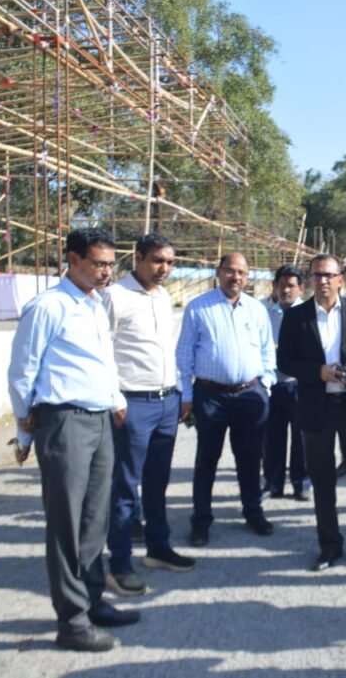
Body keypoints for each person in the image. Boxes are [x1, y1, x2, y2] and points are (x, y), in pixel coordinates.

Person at [7, 228, 137, 652]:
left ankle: (92, 600)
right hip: (63, 422)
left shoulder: (95, 304)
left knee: (94, 521)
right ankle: (72, 621)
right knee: (66, 523)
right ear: (73, 258)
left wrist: (115, 399)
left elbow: (102, 362)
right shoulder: (48, 306)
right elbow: (23, 372)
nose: (106, 272)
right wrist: (24, 432)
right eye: (98, 263)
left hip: (99, 421)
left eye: (110, 264)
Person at [277, 253, 346, 571]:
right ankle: (329, 545)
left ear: (340, 279)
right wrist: (319, 372)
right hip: (316, 409)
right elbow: (285, 362)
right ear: (310, 279)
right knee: (323, 481)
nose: (323, 280)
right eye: (317, 275)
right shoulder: (296, 316)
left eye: (329, 275)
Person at [103, 234, 195, 598]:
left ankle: (158, 548)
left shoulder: (162, 296)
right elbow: (101, 351)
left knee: (158, 482)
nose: (164, 269)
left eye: (170, 262)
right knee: (125, 486)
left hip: (166, 401)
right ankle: (119, 563)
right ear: (138, 257)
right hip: (132, 403)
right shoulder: (115, 296)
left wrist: (179, 391)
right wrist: (114, 399)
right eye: (157, 260)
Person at [175, 252, 277, 547]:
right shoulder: (198, 307)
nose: (236, 277)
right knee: (207, 460)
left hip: (251, 395)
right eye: (230, 271)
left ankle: (253, 513)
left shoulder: (256, 309)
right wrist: (187, 396)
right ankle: (201, 521)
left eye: (242, 272)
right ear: (218, 272)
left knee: (250, 458)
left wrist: (266, 385)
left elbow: (267, 350)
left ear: (248, 276)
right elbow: (184, 354)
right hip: (211, 396)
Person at [262, 264, 310, 502]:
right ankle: (273, 483)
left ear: (301, 288)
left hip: (299, 384)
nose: (286, 290)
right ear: (275, 286)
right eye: (282, 285)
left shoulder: (309, 313)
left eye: (291, 286)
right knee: (272, 438)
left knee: (301, 438)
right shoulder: (264, 311)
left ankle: (301, 483)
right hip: (272, 384)